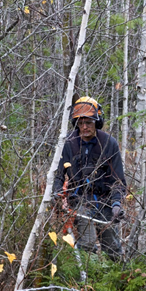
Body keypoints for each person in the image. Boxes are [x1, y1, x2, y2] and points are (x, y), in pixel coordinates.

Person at [52, 96, 127, 261]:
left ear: (97, 122)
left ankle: (117, 280)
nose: (84, 127)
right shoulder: (69, 143)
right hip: (80, 201)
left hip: (105, 201)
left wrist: (116, 204)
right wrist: (57, 194)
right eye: (80, 123)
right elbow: (57, 175)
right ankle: (89, 282)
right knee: (86, 246)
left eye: (89, 123)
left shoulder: (109, 143)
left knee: (112, 248)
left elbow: (118, 181)